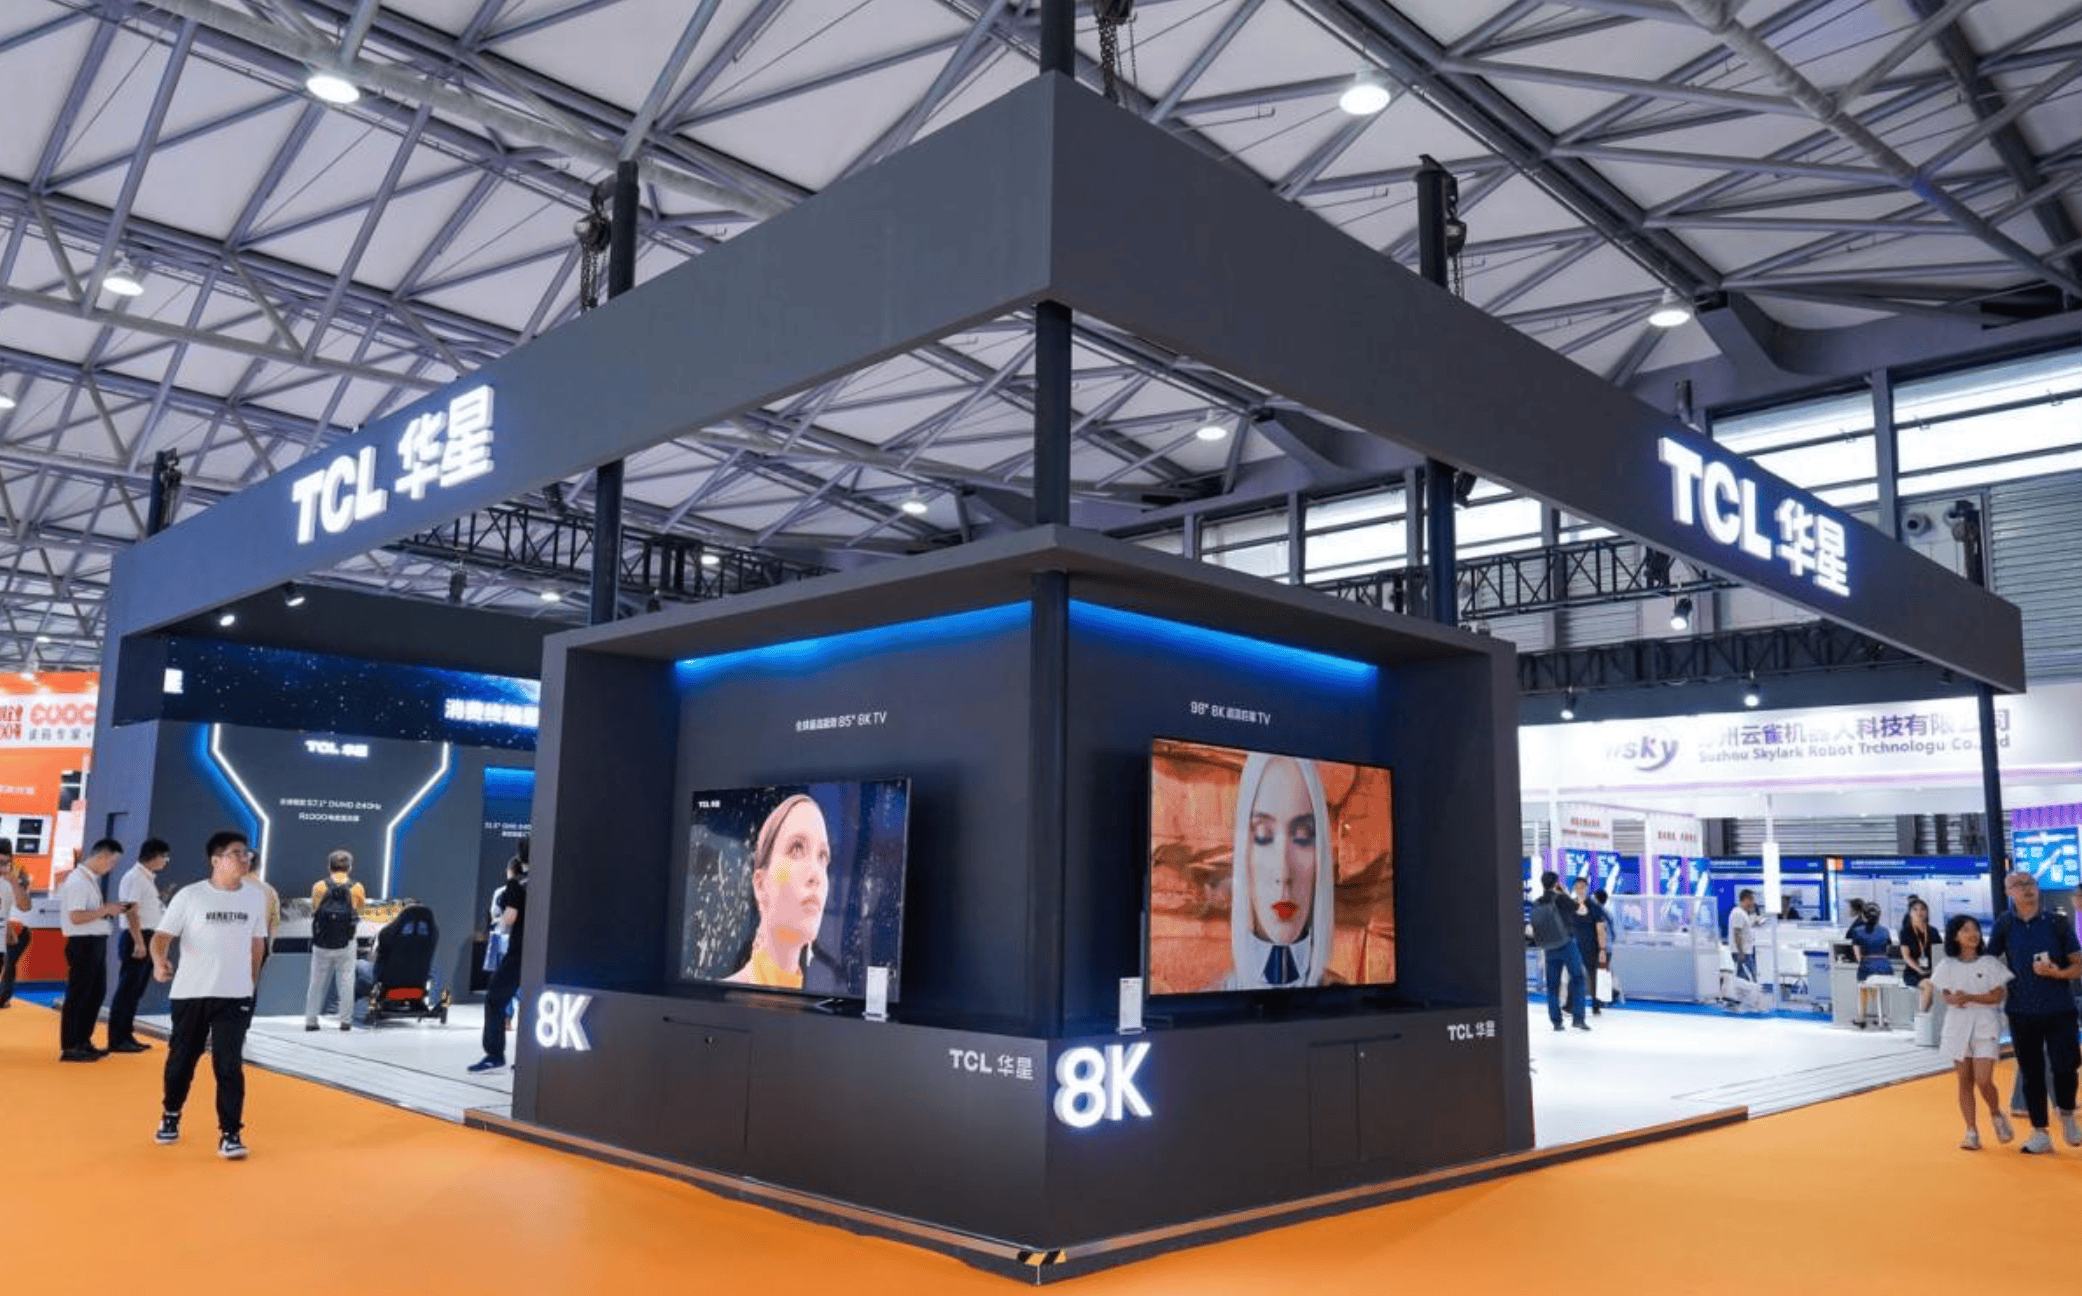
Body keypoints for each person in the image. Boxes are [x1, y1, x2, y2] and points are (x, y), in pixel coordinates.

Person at [151, 831, 268, 1160]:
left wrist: (251, 983)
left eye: (246, 854)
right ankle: (171, 1114)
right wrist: (159, 961)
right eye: (236, 853)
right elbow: (161, 936)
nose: (244, 859)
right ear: (216, 860)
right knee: (182, 1061)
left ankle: (231, 1133)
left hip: (234, 996)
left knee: (229, 1065)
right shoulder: (190, 896)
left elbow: (257, 943)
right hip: (192, 993)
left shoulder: (255, 898)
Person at [1213, 755, 1338, 990]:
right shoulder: (1211, 1000)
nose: (1283, 873)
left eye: (1303, 835)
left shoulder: (1345, 998)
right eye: (1263, 835)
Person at [1986, 870, 2082, 1154]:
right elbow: (1989, 961)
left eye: (2029, 883)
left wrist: (2057, 973)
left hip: (2060, 1008)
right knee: (2031, 1071)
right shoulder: (2004, 924)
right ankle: (2040, 1131)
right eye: (2018, 885)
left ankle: (2067, 1114)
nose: (2026, 888)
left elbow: (2078, 965)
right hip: (2021, 1010)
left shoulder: (2057, 922)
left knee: (2066, 1066)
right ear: (2009, 892)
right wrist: (1996, 986)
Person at [725, 793, 836, 990]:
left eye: (822, 856)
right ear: (761, 885)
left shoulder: (824, 995)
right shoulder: (716, 998)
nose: (816, 874)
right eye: (796, 848)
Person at [1930, 915, 2013, 1150]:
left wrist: (1969, 997)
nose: (1972, 934)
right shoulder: (1947, 965)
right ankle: (1971, 1131)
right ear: (1955, 936)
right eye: (1965, 930)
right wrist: (1954, 999)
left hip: (1986, 1025)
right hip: (1957, 1026)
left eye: (1975, 929)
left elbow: (1998, 995)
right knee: (1964, 1081)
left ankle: (1996, 1113)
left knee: (1983, 1079)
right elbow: (1945, 995)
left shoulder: (1990, 963)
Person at [57, 838, 125, 1061]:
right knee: (79, 995)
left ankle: (83, 1041)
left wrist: (106, 911)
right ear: (102, 857)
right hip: (83, 943)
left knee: (95, 994)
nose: (112, 867)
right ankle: (70, 1046)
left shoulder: (88, 880)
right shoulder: (78, 881)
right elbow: (76, 917)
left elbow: (87, 913)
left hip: (93, 942)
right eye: (112, 862)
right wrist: (105, 910)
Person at [106, 838, 171, 1053]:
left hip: (147, 936)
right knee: (127, 990)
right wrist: (139, 942)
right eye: (164, 857)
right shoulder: (134, 877)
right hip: (138, 937)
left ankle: (126, 1034)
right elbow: (131, 911)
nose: (166, 861)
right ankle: (117, 1039)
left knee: (136, 991)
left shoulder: (145, 878)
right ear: (155, 855)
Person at [468, 853, 527, 1074]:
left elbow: (508, 918)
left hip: (517, 950)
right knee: (533, 1004)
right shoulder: (547, 881)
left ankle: (494, 1055)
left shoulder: (515, 885)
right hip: (542, 952)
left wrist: (501, 924)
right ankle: (529, 1059)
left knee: (495, 998)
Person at [303, 850, 364, 1031]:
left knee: (316, 982)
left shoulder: (319, 887)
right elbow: (359, 912)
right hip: (347, 941)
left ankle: (311, 1021)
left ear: (329, 867)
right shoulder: (357, 888)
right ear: (350, 867)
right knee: (346, 981)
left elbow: (315, 909)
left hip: (322, 941)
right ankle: (345, 1021)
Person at [1531, 871, 1589, 1032]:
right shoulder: (1561, 898)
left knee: (1552, 986)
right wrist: (1565, 894)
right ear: (1556, 884)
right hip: (1566, 944)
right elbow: (1583, 910)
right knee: (1578, 979)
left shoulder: (1537, 902)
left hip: (1549, 947)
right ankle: (1578, 1019)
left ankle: (1557, 1023)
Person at [1845, 899, 1893, 1029]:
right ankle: (1882, 1016)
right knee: (1875, 986)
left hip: (1867, 966)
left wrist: (1866, 961)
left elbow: (1857, 956)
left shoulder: (1857, 931)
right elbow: (1887, 950)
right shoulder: (1885, 931)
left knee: (1864, 987)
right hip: (1885, 967)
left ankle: (1862, 1018)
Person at [1568, 877, 1609, 1013]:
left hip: (1591, 947)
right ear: (1574, 888)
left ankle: (1596, 1004)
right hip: (1574, 946)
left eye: (1582, 886)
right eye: (1577, 886)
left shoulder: (1594, 907)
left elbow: (1600, 929)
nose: (1580, 889)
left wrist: (1602, 949)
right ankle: (1570, 1005)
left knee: (1593, 975)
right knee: (1574, 975)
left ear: (1586, 888)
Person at [0, 839, 29, 1008]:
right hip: (11, 928)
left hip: (15, 929)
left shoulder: (15, 875)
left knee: (9, 962)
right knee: (9, 962)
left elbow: (22, 905)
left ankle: (3, 997)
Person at [1898, 896, 1937, 1012]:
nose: (1919, 912)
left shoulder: (1933, 931)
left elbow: (1939, 951)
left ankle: (1928, 1017)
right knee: (1928, 985)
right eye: (1915, 909)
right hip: (1914, 972)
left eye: (1922, 909)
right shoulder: (1906, 932)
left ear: (1927, 912)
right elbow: (1906, 957)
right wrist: (1920, 970)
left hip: (1932, 971)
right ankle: (1923, 1017)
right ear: (1910, 913)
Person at [1728, 888, 1761, 982]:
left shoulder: (1742, 913)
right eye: (1751, 900)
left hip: (1745, 951)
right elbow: (1737, 933)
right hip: (1742, 952)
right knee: (1747, 980)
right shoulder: (1738, 913)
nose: (1753, 903)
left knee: (1747, 978)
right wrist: (1740, 951)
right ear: (1745, 899)